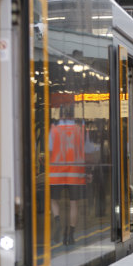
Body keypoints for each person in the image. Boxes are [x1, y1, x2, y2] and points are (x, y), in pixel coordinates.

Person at [50, 105, 86, 245]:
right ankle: (71, 235)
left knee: (54, 200)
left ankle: (58, 221)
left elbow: (49, 148)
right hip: (74, 173)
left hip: (57, 172)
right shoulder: (79, 130)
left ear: (61, 115)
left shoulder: (54, 129)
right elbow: (85, 148)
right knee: (73, 204)